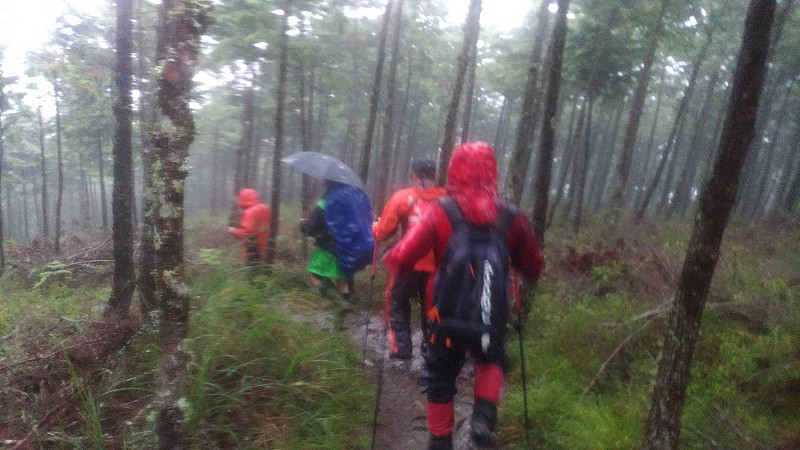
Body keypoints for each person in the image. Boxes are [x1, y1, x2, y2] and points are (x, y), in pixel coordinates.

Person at [385, 142, 544, 449]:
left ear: (453, 171)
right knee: (491, 356)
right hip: (491, 312)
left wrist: (393, 256)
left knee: (440, 374)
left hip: (444, 312)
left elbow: (405, 255)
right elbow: (534, 266)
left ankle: (440, 441)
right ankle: (483, 417)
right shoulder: (512, 216)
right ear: (493, 172)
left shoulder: (441, 211)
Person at [373, 158, 446, 361]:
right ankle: (431, 351)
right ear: (435, 176)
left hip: (408, 263)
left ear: (414, 176)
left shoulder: (402, 198)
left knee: (396, 301)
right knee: (432, 309)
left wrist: (375, 228)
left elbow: (383, 231)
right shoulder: (447, 200)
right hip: (438, 267)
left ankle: (402, 349)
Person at [300, 186, 351, 300]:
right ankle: (345, 313)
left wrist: (303, 224)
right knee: (342, 281)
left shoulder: (324, 203)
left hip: (328, 247)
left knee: (315, 274)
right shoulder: (348, 203)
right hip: (347, 248)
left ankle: (339, 303)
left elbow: (311, 228)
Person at [228, 188, 271, 266]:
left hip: (254, 248)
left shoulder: (249, 212)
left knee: (253, 271)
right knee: (264, 268)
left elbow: (247, 233)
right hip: (266, 246)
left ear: (243, 198)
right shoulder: (265, 208)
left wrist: (233, 231)